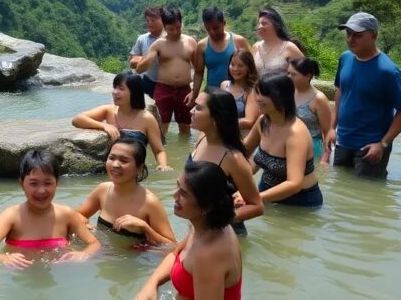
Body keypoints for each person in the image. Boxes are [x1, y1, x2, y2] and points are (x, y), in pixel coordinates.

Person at [134, 162, 242, 300]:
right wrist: (151, 284)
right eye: (178, 186)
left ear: (206, 206)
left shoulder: (208, 255)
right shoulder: (203, 226)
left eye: (183, 193)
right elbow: (175, 254)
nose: (174, 195)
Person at [0, 150, 100, 269]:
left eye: (48, 183)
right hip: (20, 278)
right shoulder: (11, 216)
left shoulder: (66, 215)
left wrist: (84, 254)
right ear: (21, 184)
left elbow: (94, 244)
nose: (41, 190)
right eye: (33, 183)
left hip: (60, 275)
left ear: (57, 183)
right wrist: (3, 258)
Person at [326, 12, 401, 179]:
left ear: (373, 35)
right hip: (343, 142)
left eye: (357, 35)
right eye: (348, 34)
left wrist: (383, 144)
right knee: (341, 190)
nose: (350, 39)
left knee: (368, 195)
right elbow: (340, 92)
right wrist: (331, 128)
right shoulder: (345, 58)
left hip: (370, 147)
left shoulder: (388, 71)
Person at [187, 89, 264, 235]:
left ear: (215, 118)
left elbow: (257, 206)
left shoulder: (233, 158)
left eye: (198, 108)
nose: (191, 111)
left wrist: (215, 221)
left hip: (224, 233)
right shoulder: (202, 138)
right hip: (198, 230)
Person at [76, 138, 176, 246]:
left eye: (124, 161)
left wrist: (145, 228)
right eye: (111, 158)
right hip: (103, 258)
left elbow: (172, 246)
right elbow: (78, 215)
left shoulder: (149, 202)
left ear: (139, 168)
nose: (115, 165)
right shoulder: (103, 190)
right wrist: (82, 224)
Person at [243, 73, 322, 207]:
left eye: (264, 94)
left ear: (281, 97)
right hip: (265, 193)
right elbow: (242, 152)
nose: (258, 99)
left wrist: (253, 197)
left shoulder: (296, 133)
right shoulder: (264, 121)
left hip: (299, 202)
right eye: (257, 93)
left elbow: (294, 183)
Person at [72, 72, 171, 170]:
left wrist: (163, 165)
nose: (115, 92)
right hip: (112, 168)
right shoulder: (108, 111)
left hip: (134, 170)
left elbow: (159, 151)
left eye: (121, 88)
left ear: (134, 92)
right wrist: (104, 126)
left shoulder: (147, 118)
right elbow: (77, 120)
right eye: (114, 87)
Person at [135, 7, 197, 135]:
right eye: (171, 29)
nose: (175, 32)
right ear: (164, 26)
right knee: (160, 129)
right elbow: (140, 69)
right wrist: (149, 57)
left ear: (181, 23)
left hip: (184, 90)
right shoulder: (158, 44)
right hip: (163, 89)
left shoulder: (190, 42)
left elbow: (199, 70)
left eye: (178, 27)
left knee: (186, 129)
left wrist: (194, 92)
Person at [191, 8, 252, 100]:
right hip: (212, 96)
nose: (212, 32)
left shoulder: (238, 41)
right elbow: (199, 73)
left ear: (224, 23)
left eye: (215, 28)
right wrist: (194, 95)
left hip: (236, 96)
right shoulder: (202, 45)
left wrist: (251, 92)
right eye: (208, 29)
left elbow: (251, 68)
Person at [288, 58, 333, 163]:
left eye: (293, 74)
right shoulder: (288, 92)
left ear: (308, 76)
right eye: (288, 73)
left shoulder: (319, 99)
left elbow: (327, 133)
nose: (289, 77)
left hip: (311, 149)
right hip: (289, 144)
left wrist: (325, 159)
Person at [252, 8, 305, 75]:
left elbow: (305, 73)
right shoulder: (256, 47)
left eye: (264, 23)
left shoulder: (289, 47)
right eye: (259, 24)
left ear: (276, 26)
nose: (260, 27)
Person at [220, 49, 261, 132]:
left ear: (249, 68)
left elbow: (249, 121)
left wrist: (221, 123)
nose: (235, 69)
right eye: (232, 64)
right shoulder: (224, 85)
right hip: (223, 134)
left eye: (240, 65)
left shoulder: (252, 91)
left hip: (242, 136)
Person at [130, 6, 164, 98]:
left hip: (167, 83)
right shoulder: (142, 39)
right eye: (147, 20)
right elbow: (132, 62)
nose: (149, 23)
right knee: (127, 77)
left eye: (153, 20)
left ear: (163, 20)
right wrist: (146, 59)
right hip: (148, 81)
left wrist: (141, 59)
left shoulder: (169, 38)